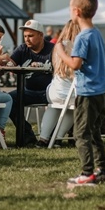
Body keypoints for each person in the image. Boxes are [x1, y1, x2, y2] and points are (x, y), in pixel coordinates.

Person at [54, 0, 105, 185]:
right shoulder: (96, 34)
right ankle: (102, 170)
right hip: (101, 93)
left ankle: (87, 173)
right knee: (94, 132)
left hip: (87, 93)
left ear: (76, 11)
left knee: (81, 134)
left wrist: (60, 51)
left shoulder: (82, 37)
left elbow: (75, 64)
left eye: (70, 8)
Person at [7, 19, 54, 146]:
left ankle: (53, 137)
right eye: (25, 36)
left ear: (41, 35)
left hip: (50, 92)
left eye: (31, 36)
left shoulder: (53, 49)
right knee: (8, 99)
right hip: (28, 91)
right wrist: (8, 63)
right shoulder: (22, 49)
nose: (27, 39)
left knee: (61, 99)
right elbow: (11, 63)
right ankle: (27, 135)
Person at [36, 20, 81, 148]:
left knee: (53, 106)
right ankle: (58, 138)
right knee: (72, 108)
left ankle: (43, 138)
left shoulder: (58, 46)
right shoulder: (77, 47)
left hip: (55, 92)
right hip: (71, 93)